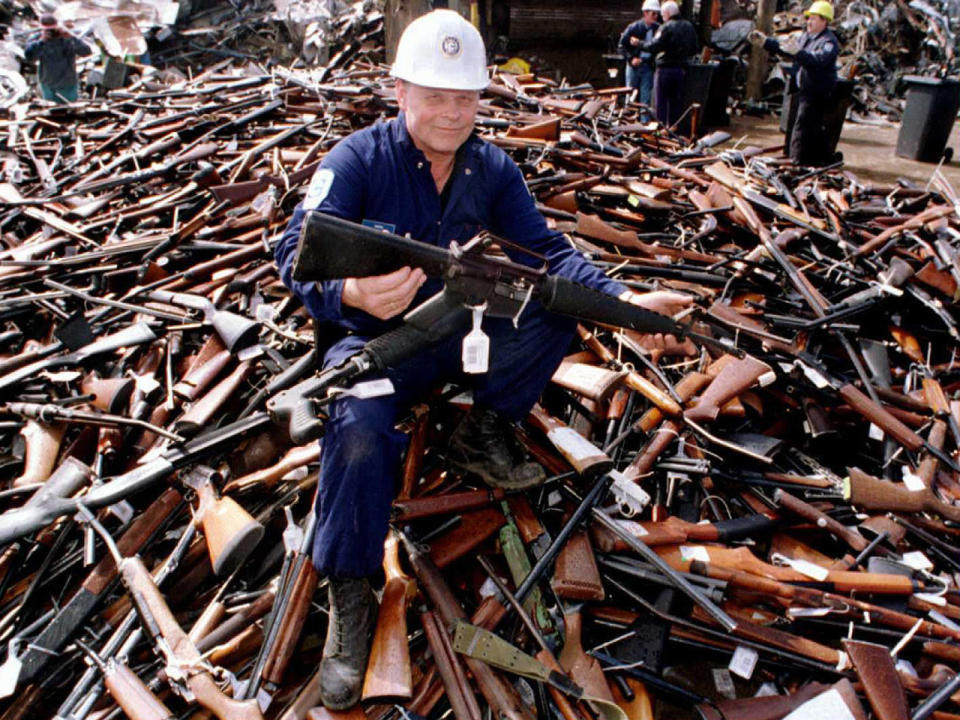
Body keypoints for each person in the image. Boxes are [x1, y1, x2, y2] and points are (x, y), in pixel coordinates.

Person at [275, 9, 691, 711]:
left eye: (464, 98)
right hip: (375, 345)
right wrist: (349, 290)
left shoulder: (490, 166)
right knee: (359, 431)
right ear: (400, 91)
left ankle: (485, 426)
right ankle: (351, 593)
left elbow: (550, 254)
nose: (451, 112)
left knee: (558, 305)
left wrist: (627, 301)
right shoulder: (355, 162)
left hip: (457, 332)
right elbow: (292, 256)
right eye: (435, 96)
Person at [755, 1, 839, 166]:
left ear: (824, 21)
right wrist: (766, 42)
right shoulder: (807, 37)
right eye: (808, 18)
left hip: (817, 90)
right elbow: (787, 48)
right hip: (803, 87)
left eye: (813, 19)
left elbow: (817, 60)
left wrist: (799, 52)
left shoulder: (829, 42)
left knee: (802, 124)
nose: (809, 22)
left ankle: (795, 160)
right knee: (810, 125)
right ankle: (826, 158)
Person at [643, 0, 699, 128]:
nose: (662, 18)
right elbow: (695, 48)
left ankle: (659, 131)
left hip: (665, 69)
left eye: (663, 15)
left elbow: (654, 46)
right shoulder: (689, 27)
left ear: (667, 14)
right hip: (680, 69)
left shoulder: (666, 27)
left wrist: (640, 44)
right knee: (676, 103)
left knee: (660, 103)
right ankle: (674, 131)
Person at [23, 14, 91, 103]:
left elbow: (86, 52)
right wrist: (42, 41)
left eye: (53, 29)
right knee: (52, 111)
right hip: (48, 83)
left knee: (70, 110)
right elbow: (29, 56)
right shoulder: (37, 38)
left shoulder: (67, 38)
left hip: (67, 82)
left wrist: (71, 37)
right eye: (48, 30)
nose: (51, 33)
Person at [618, 0, 661, 121]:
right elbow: (621, 46)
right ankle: (628, 122)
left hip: (647, 66)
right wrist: (631, 59)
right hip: (633, 67)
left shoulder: (658, 29)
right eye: (653, 14)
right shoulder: (634, 27)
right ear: (645, 13)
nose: (656, 16)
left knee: (645, 98)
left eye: (657, 14)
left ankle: (644, 124)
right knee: (630, 95)